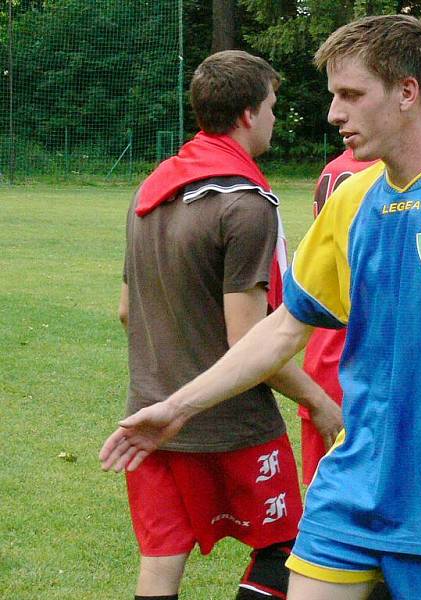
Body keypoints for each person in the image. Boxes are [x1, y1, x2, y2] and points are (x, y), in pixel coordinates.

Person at [100, 15, 421, 600]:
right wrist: (178, 407)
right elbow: (282, 329)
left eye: (351, 95)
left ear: (408, 92)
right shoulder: (352, 199)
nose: (335, 113)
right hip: (354, 480)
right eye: (335, 95)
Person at [112, 50, 342, 600]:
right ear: (246, 114)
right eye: (271, 105)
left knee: (162, 559)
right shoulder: (246, 204)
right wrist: (319, 400)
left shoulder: (153, 188)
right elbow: (250, 340)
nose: (273, 117)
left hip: (149, 412)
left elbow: (126, 310)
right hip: (231, 423)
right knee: (288, 548)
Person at [300, 146, 377, 485]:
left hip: (321, 346)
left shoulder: (332, 167)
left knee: (322, 491)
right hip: (358, 347)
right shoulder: (383, 172)